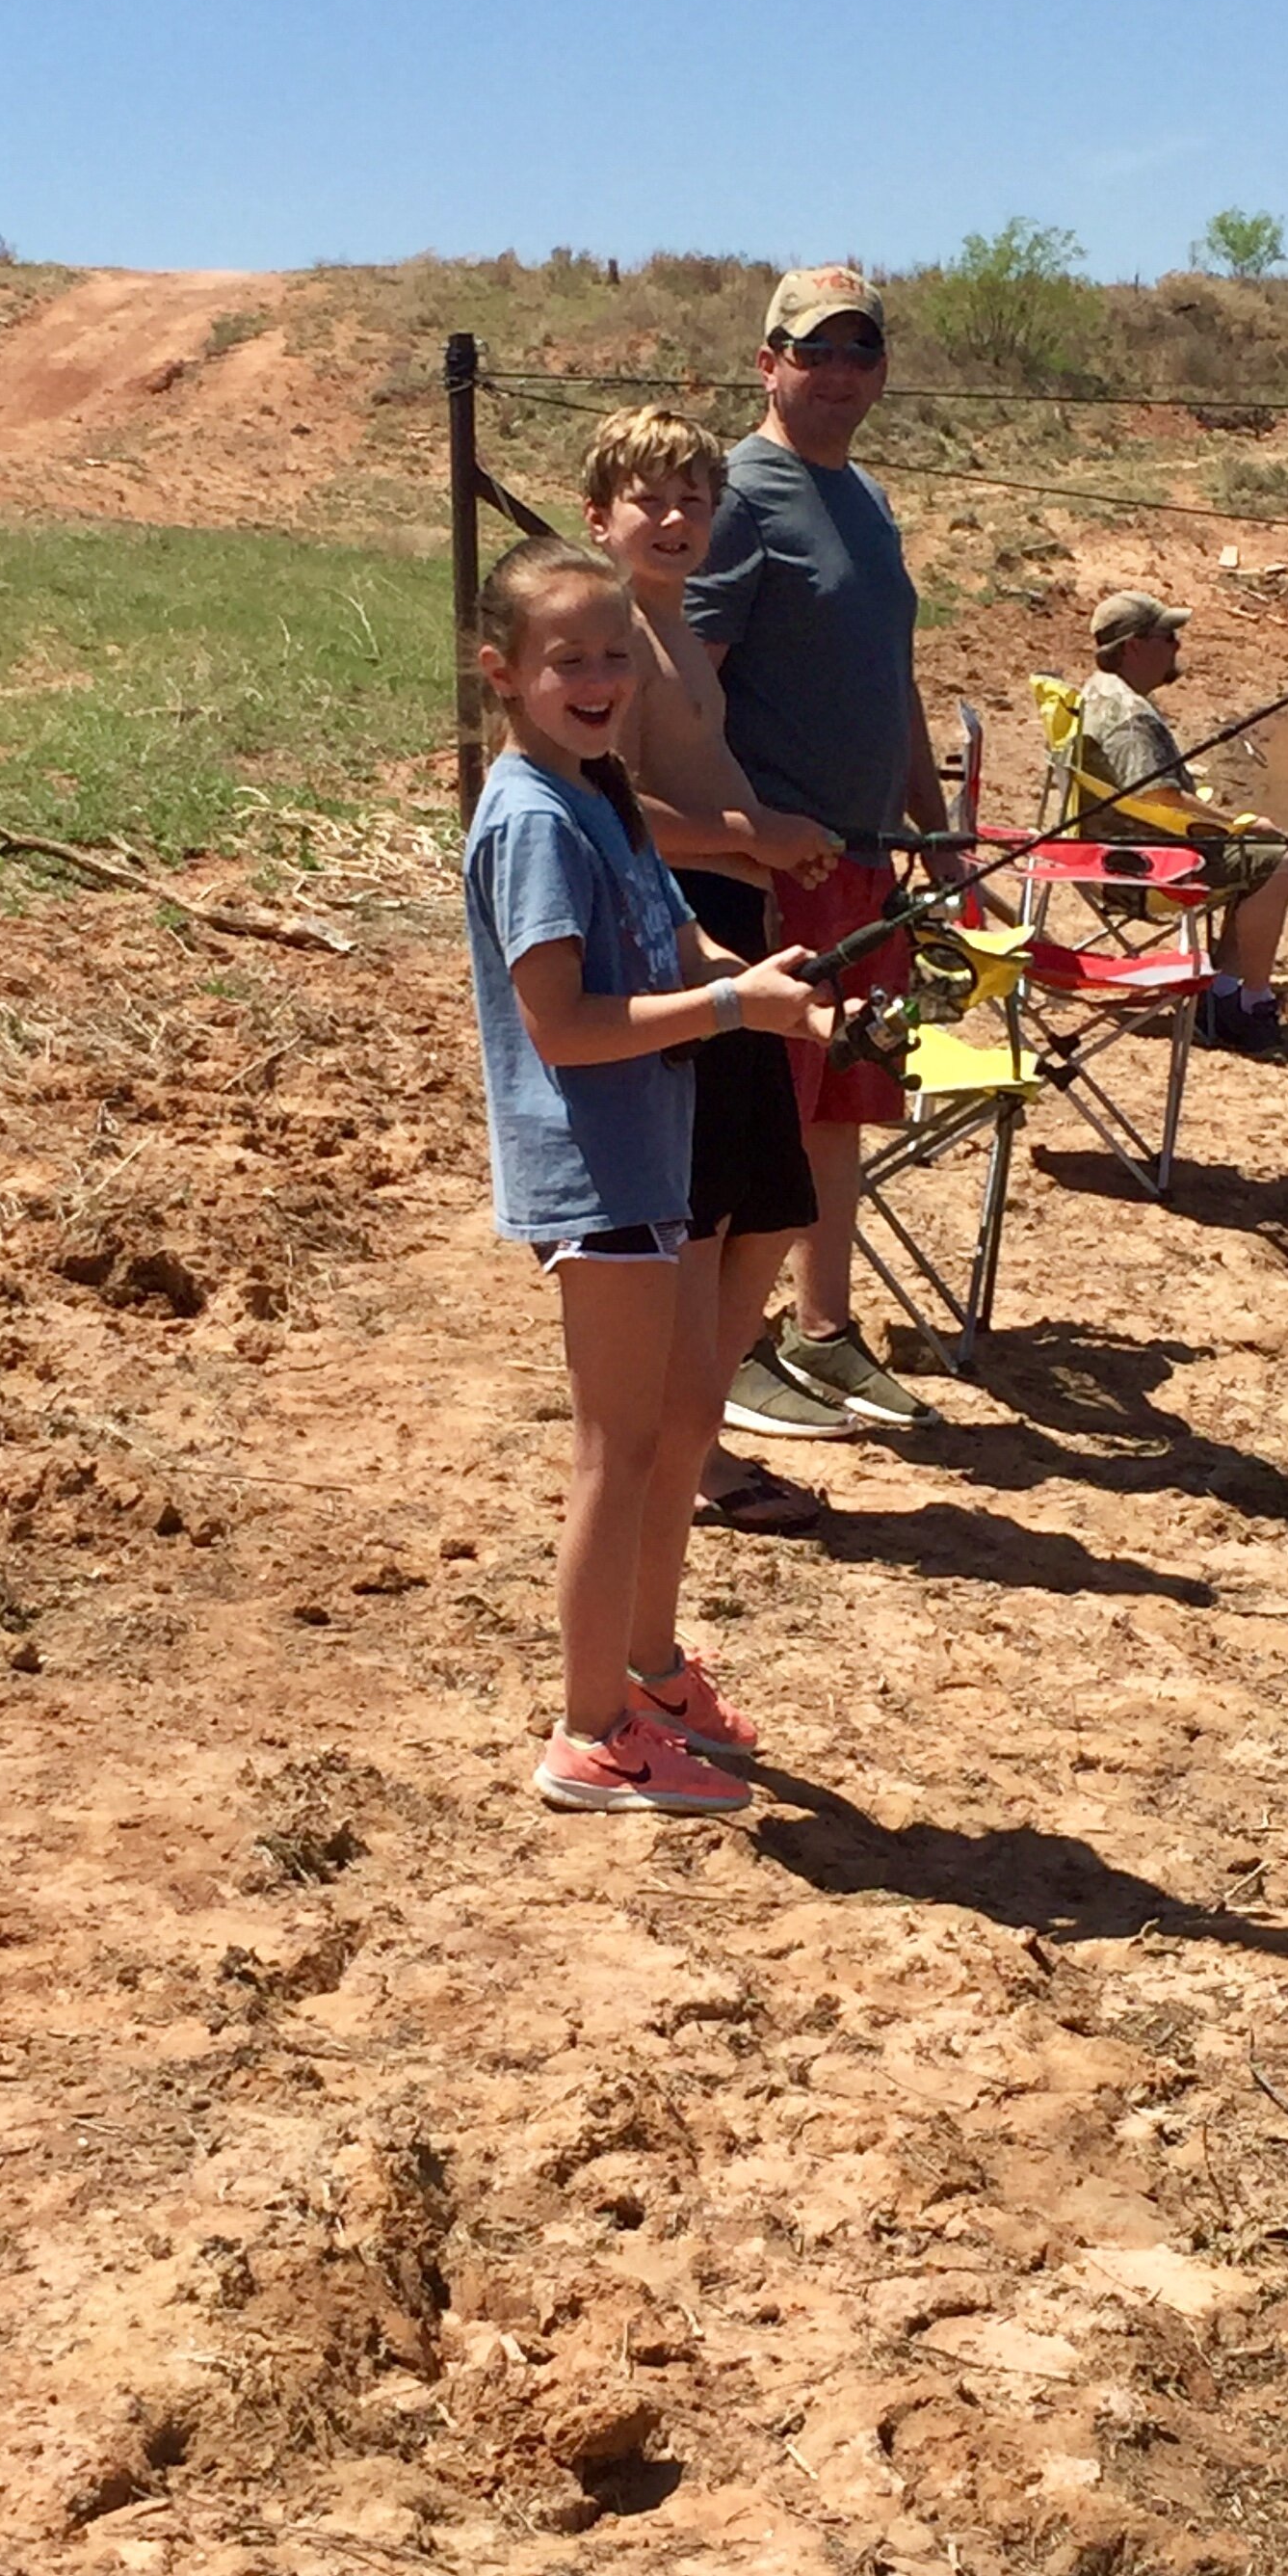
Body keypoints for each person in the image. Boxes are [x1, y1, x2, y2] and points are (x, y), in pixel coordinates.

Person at [461, 537, 834, 1814]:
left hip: (654, 1159)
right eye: (569, 658)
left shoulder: (603, 791)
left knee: (670, 1429)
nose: (601, 676)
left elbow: (670, 933)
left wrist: (768, 992)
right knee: (616, 1453)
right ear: (501, 671)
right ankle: (588, 1735)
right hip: (597, 1171)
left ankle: (648, 1674)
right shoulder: (529, 820)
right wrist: (729, 1006)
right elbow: (564, 1025)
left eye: (617, 652)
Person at [682, 267, 955, 1432]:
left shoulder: (870, 500)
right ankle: (729, 1349)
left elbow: (893, 683)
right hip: (770, 866)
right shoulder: (742, 496)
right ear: (768, 363)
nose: (839, 372)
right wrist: (741, 834)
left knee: (844, 1096)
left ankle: (824, 1331)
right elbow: (688, 692)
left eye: (860, 351)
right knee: (765, 1110)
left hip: (863, 860)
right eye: (815, 351)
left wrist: (931, 835)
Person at [579, 404, 854, 1538]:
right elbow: (614, 809)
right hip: (679, 932)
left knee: (767, 1202)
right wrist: (752, 836)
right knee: (700, 1213)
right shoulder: (610, 641)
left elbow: (702, 771)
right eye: (650, 498)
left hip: (737, 911)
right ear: (599, 517)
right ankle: (689, 1462)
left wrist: (779, 835)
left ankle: (704, 1436)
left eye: (696, 497)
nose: (677, 517)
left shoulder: (677, 619)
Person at [1077, 588, 1288, 1053]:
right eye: (1168, 636)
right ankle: (1249, 1004)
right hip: (1142, 872)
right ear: (1134, 647)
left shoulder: (1097, 693)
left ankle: (1220, 992)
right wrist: (1235, 825)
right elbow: (1159, 795)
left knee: (1254, 857)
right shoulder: (1132, 718)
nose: (1178, 646)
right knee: (1275, 862)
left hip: (1112, 856)